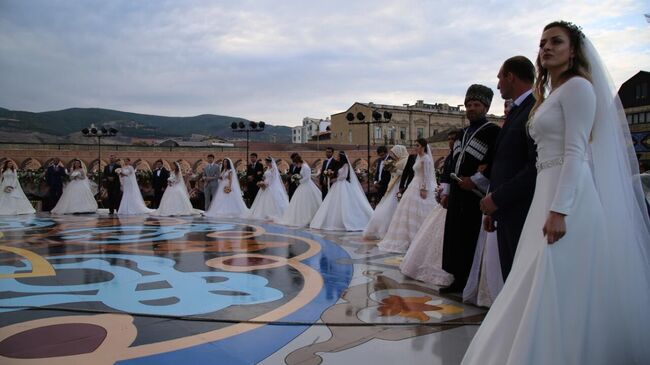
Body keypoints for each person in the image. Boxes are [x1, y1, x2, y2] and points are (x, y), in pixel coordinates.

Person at [462, 21, 650, 365]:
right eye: (543, 42)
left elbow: (577, 152)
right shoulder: (551, 96)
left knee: (555, 280)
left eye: (556, 41)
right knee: (532, 278)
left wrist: (560, 209)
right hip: (545, 196)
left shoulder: (579, 88)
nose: (546, 47)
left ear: (573, 50)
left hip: (568, 199)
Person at [479, 56, 537, 280]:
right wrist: (494, 206)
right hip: (505, 209)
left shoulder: (534, 109)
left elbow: (533, 167)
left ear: (511, 77)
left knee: (518, 277)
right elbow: (503, 163)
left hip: (521, 210)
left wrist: (498, 199)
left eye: (500, 78)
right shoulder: (518, 110)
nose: (498, 85)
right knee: (509, 275)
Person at [440, 84, 500, 293]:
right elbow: (451, 164)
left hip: (475, 195)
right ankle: (457, 277)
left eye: (476, 104)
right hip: (457, 194)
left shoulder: (493, 132)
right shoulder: (461, 133)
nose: (471, 108)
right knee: (455, 235)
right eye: (468, 105)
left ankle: (469, 278)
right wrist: (446, 190)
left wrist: (475, 180)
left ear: (485, 107)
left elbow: (495, 163)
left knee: (470, 236)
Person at [378, 139, 437, 253]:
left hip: (420, 186)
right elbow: (409, 172)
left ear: (423, 146)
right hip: (413, 185)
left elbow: (427, 175)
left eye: (417, 145)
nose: (415, 147)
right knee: (407, 212)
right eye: (415, 145)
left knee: (420, 211)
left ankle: (420, 238)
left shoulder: (426, 158)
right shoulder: (417, 157)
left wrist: (424, 188)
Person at [310, 151, 373, 231]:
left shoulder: (346, 165)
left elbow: (344, 176)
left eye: (338, 156)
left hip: (342, 184)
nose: (337, 157)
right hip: (337, 184)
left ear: (342, 157)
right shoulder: (339, 165)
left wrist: (335, 179)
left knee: (344, 202)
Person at [363, 145, 409, 240]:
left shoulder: (405, 160)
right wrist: (376, 182)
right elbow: (379, 173)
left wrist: (394, 169)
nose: (393, 155)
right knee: (384, 205)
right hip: (392, 185)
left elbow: (405, 173)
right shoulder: (390, 161)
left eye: (395, 153)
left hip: (397, 185)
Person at [278, 154, 322, 227]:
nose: (295, 165)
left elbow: (307, 178)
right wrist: (298, 179)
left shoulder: (305, 167)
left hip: (306, 186)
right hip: (302, 185)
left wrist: (298, 180)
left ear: (298, 162)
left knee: (306, 202)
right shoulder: (302, 166)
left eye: (296, 163)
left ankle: (308, 218)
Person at [248, 156, 290, 221]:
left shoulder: (274, 169)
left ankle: (272, 213)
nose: (266, 163)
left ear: (270, 162)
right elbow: (265, 177)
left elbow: (274, 179)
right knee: (262, 200)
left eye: (267, 162)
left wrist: (267, 184)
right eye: (266, 162)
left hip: (271, 186)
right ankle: (263, 213)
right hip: (265, 185)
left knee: (272, 200)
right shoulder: (267, 169)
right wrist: (262, 182)